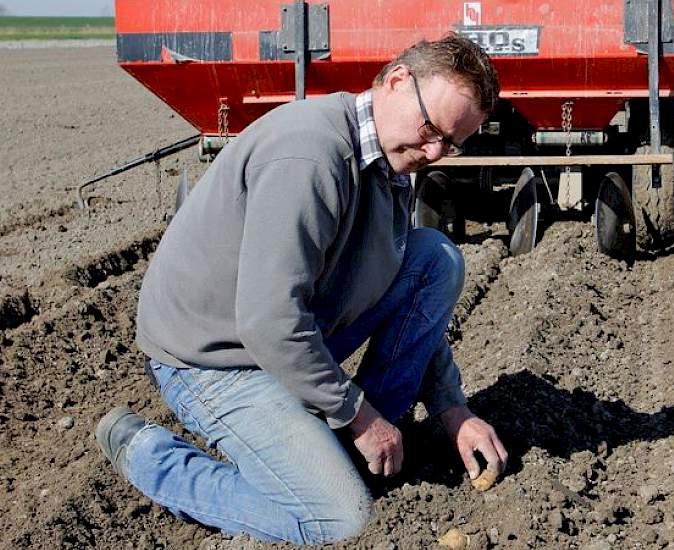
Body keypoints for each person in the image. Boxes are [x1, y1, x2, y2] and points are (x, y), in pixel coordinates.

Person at [95, 33, 507, 545]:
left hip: (294, 332)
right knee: (339, 520)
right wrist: (359, 415)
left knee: (434, 260)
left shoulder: (390, 161)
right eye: (431, 130)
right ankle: (154, 459)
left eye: (451, 143)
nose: (434, 151)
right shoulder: (310, 157)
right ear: (398, 80)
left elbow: (401, 283)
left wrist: (451, 408)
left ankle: (334, 448)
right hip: (217, 358)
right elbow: (269, 320)